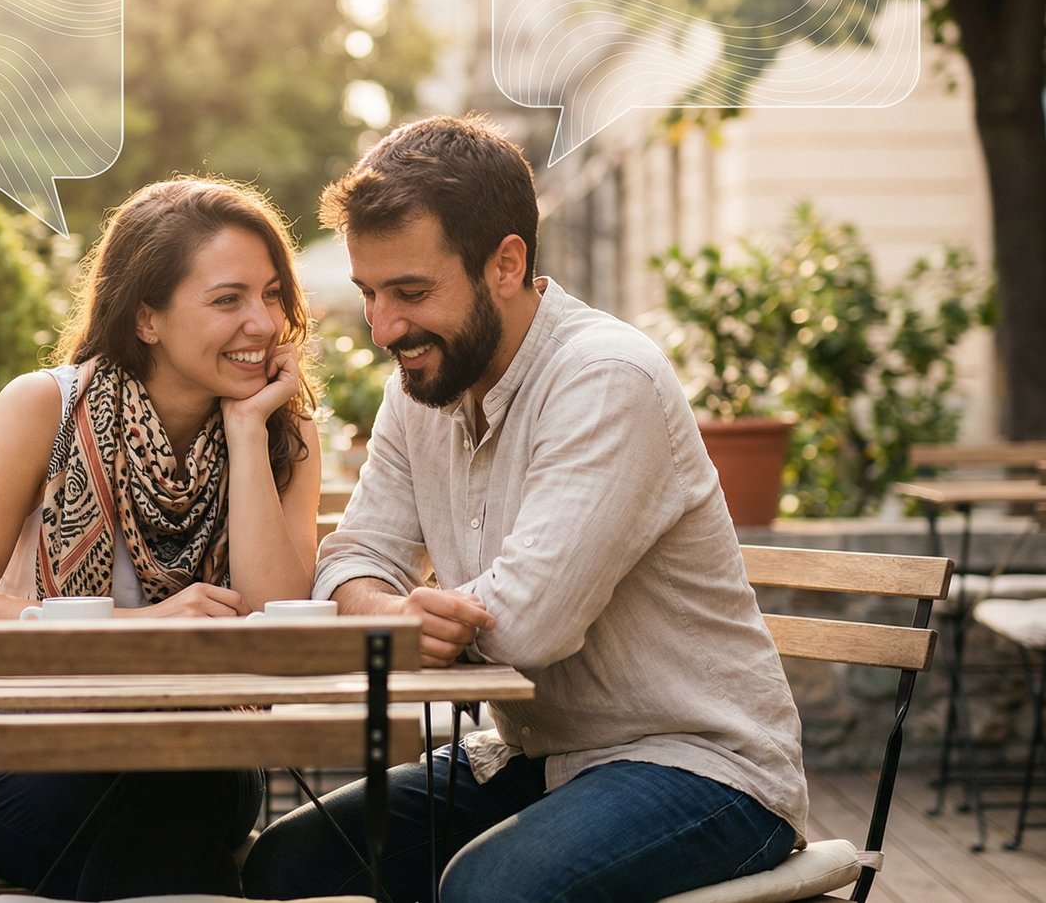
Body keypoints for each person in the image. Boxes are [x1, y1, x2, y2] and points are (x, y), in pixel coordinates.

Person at [243, 116, 807, 903]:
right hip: (532, 760)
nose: (383, 328)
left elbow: (528, 626)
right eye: (371, 293)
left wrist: (397, 619)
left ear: (506, 263)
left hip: (700, 765)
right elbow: (348, 555)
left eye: (410, 292)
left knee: (486, 890)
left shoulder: (608, 379)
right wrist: (390, 608)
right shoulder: (422, 388)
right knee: (287, 863)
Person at [0, 177, 321, 900]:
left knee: (177, 785)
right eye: (228, 299)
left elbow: (272, 627)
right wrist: (142, 629)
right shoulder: (45, 407)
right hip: (16, 745)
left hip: (207, 749)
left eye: (270, 294)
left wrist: (246, 433)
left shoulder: (282, 430)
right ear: (147, 319)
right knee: (164, 817)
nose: (261, 322)